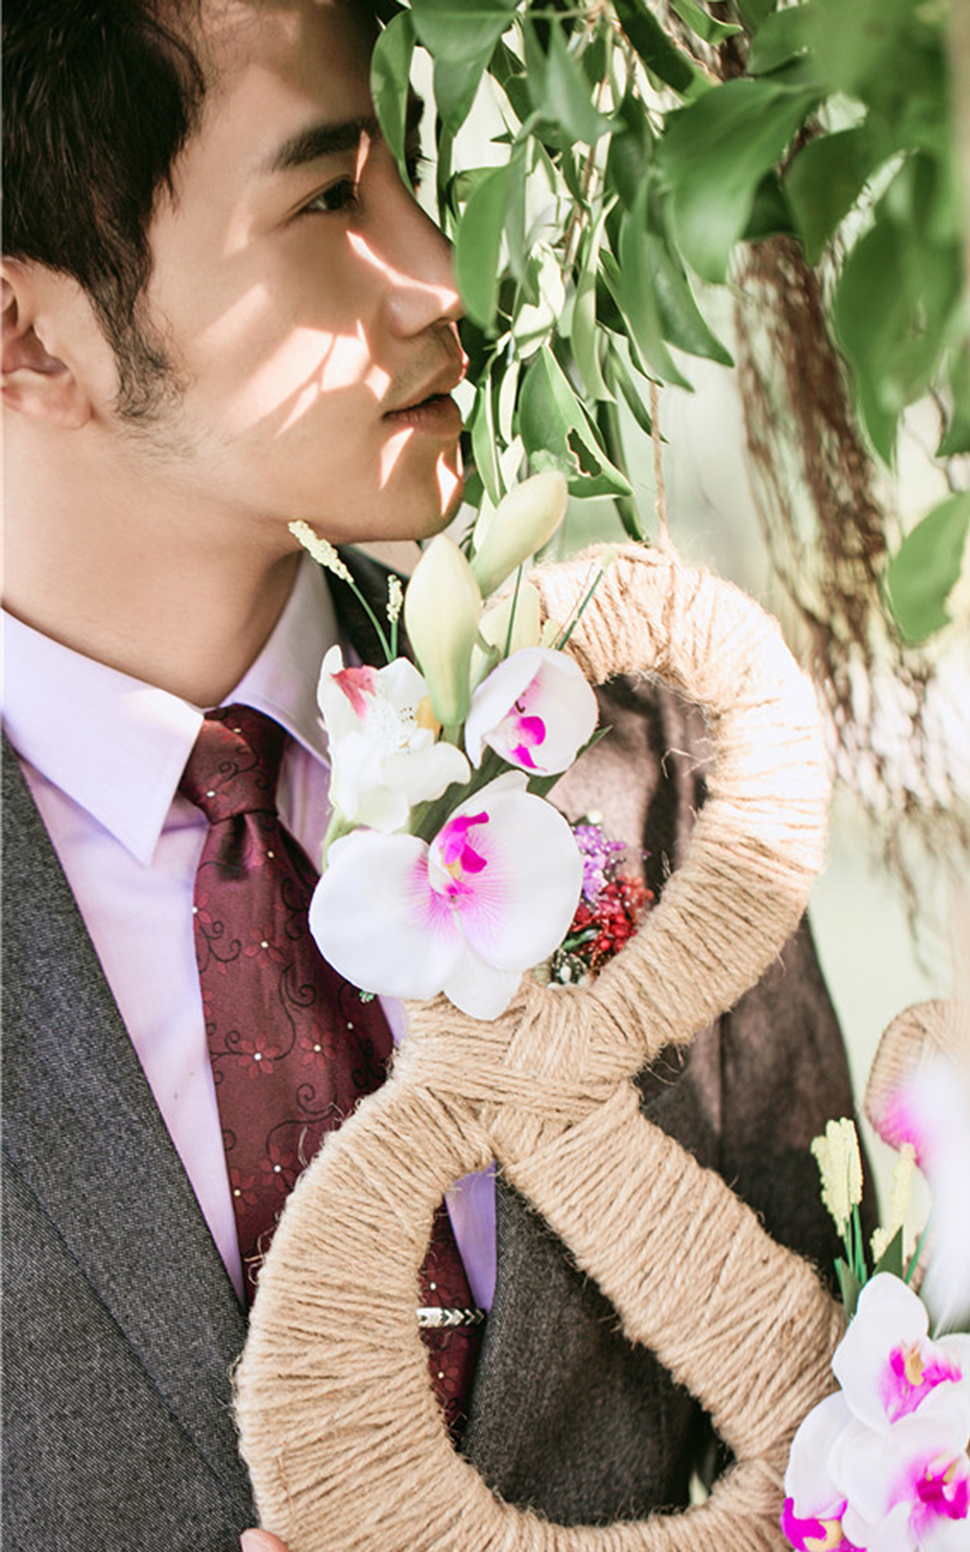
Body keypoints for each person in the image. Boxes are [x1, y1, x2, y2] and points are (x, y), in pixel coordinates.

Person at [1, 3, 862, 1549]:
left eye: (401, 173)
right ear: (27, 335)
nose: (437, 274)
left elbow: (854, 1455)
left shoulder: (644, 775)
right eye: (326, 197)